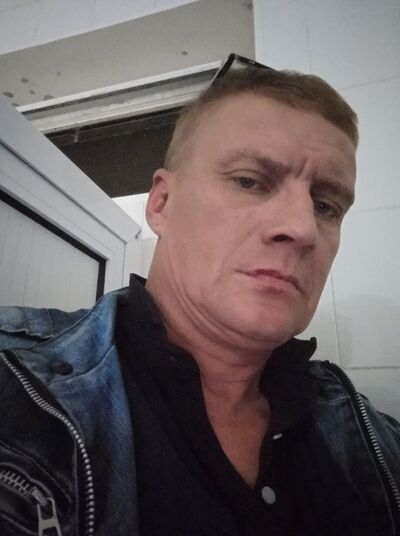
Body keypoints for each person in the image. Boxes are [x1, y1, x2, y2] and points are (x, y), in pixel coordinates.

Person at [0, 54, 399, 536]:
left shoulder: (374, 441)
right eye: (250, 181)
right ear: (161, 203)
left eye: (326, 206)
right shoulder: (15, 385)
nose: (302, 228)